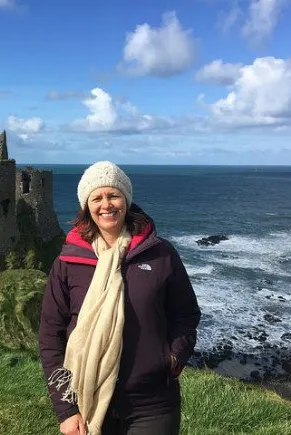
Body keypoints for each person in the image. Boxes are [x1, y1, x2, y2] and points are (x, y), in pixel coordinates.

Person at [39, 161, 201, 435]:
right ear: (86, 206)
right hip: (85, 397)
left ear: (125, 200)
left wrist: (172, 359)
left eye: (113, 195)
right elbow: (50, 333)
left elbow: (186, 314)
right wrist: (66, 409)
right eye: (97, 198)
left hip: (152, 402)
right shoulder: (69, 260)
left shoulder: (160, 253)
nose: (106, 205)